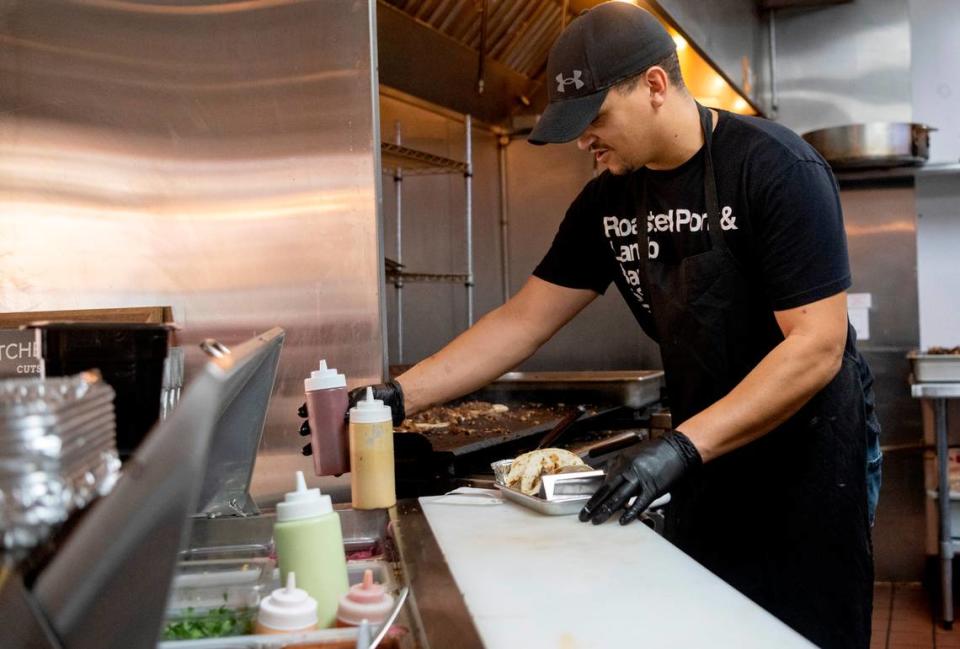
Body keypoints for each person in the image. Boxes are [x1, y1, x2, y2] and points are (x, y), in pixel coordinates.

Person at [301, 3, 882, 647]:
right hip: (703, 458)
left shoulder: (774, 169)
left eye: (595, 118)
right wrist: (396, 397)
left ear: (656, 87)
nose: (585, 141)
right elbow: (523, 320)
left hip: (803, 455)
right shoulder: (608, 197)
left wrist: (678, 448)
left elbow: (816, 346)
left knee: (805, 628)